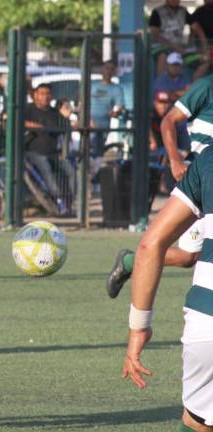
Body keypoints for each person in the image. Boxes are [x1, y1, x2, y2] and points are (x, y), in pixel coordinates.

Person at [121, 148, 213, 432]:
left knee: (198, 421)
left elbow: (151, 244)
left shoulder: (208, 159)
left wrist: (139, 328)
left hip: (207, 323)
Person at [107, 76, 213, 299]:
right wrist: (174, 160)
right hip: (202, 180)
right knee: (188, 256)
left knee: (187, 256)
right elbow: (169, 121)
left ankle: (130, 261)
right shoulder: (207, 86)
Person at [23, 83, 76, 215]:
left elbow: (65, 130)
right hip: (34, 152)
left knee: (71, 172)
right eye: (42, 94)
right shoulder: (27, 109)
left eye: (48, 94)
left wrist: (66, 117)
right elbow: (19, 122)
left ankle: (69, 203)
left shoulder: (54, 113)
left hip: (54, 153)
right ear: (35, 95)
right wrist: (32, 125)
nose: (45, 97)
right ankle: (58, 203)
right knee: (47, 171)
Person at [90, 60, 125, 172]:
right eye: (106, 68)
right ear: (102, 69)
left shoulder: (116, 88)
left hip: (103, 126)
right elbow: (82, 102)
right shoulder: (92, 84)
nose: (108, 71)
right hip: (88, 125)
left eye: (111, 69)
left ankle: (94, 178)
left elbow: (120, 106)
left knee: (98, 153)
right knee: (87, 152)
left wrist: (116, 112)